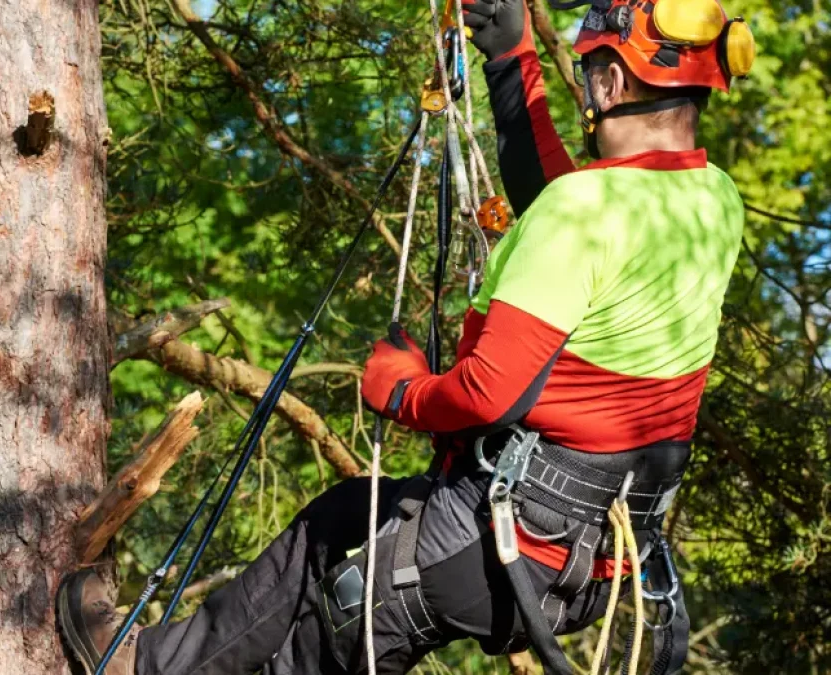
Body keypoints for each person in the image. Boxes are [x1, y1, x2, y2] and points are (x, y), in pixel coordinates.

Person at [56, 1, 753, 673]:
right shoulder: (712, 200)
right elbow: (575, 209)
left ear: (610, 81)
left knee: (317, 647)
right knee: (333, 521)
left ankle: (140, 668)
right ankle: (150, 663)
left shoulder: (585, 210)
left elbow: (487, 394)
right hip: (590, 560)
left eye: (591, 71)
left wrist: (401, 389)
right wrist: (512, 62)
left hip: (501, 541)